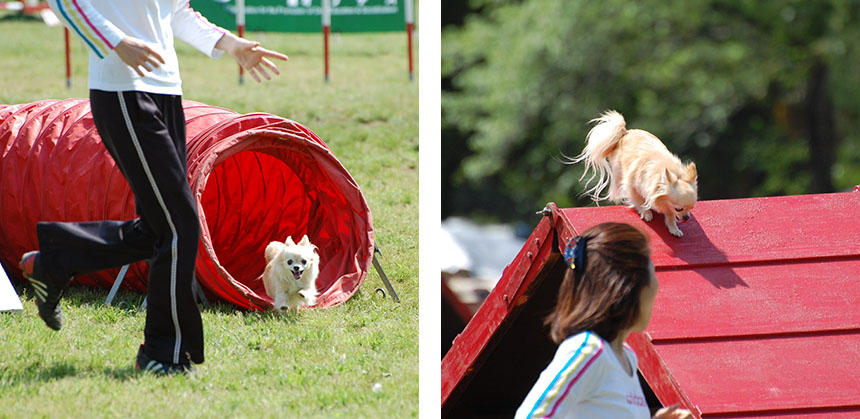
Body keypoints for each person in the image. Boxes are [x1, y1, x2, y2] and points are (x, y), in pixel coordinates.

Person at [20, 0, 288, 374]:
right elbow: (64, 3)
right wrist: (115, 42)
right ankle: (161, 355)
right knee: (180, 225)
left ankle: (54, 261)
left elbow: (176, 11)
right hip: (121, 91)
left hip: (167, 92)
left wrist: (229, 43)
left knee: (160, 228)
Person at [515, 222, 692, 418]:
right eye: (652, 274)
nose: (656, 286)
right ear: (628, 286)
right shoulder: (588, 350)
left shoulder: (627, 357)